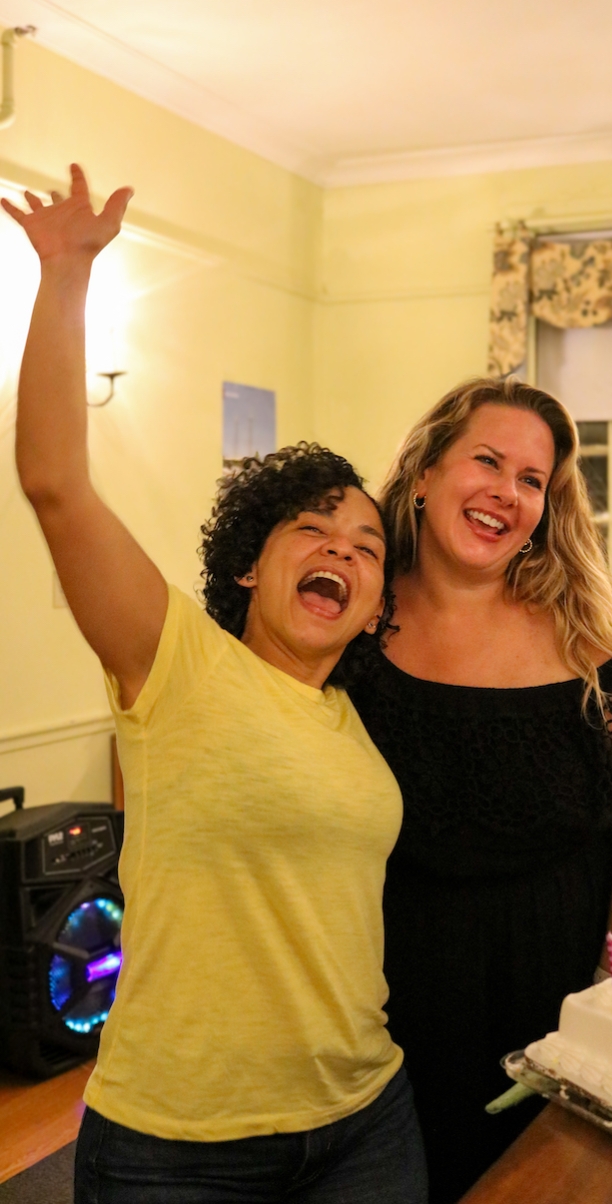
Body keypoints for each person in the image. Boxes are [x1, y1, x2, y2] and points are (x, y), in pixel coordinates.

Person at [4, 165, 428, 1204]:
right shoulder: (177, 660)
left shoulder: (355, 721)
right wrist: (66, 273)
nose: (341, 547)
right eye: (311, 527)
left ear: (377, 602)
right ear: (250, 561)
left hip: (364, 1114)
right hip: (178, 1146)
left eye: (367, 544)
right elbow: (56, 484)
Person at [348, 377, 612, 1201]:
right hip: (384, 998)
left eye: (532, 480)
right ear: (423, 473)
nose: (508, 492)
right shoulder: (347, 627)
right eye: (488, 461)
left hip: (554, 989)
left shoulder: (602, 646)